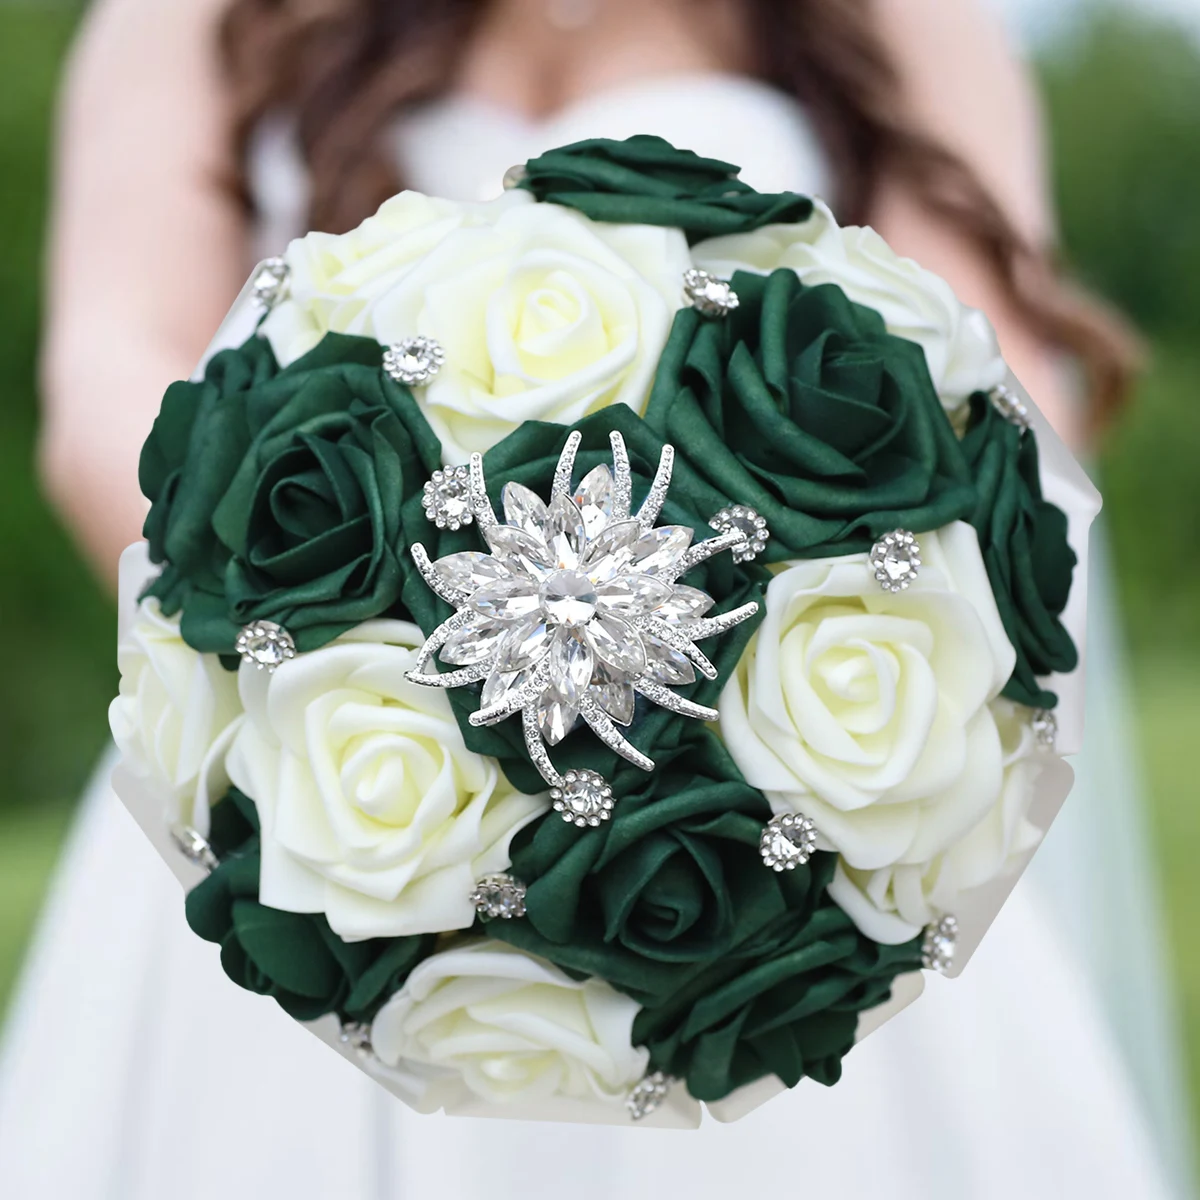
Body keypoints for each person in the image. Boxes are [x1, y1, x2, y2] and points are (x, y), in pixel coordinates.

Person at [1, 0, 1192, 1196]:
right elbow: (110, 369)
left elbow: (999, 392)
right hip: (317, 783)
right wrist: (369, 628)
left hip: (778, 843)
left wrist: (728, 714)